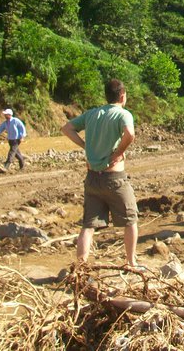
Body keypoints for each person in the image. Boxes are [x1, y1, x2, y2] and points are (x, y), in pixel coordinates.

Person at [61, 79, 140, 267]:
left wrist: (84, 145)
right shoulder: (123, 114)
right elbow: (130, 134)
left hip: (92, 179)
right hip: (115, 179)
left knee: (88, 225)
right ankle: (131, 261)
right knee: (130, 220)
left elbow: (66, 128)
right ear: (122, 96)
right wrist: (117, 153)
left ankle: (80, 265)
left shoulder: (92, 114)